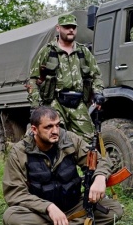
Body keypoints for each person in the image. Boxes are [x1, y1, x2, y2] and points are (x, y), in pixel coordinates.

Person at [2, 106, 123, 225]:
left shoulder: (70, 140)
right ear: (34, 130)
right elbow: (15, 193)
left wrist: (100, 177)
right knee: (11, 217)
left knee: (115, 209)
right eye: (48, 127)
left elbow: (100, 161)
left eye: (57, 125)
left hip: (73, 206)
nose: (55, 131)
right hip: (41, 213)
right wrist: (48, 207)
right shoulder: (19, 152)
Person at [28, 14, 105, 143]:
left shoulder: (83, 51)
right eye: (67, 27)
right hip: (55, 102)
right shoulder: (47, 51)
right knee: (54, 139)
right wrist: (36, 106)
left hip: (78, 103)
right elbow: (33, 79)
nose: (71, 30)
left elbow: (96, 75)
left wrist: (98, 92)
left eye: (73, 27)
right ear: (58, 28)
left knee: (89, 140)